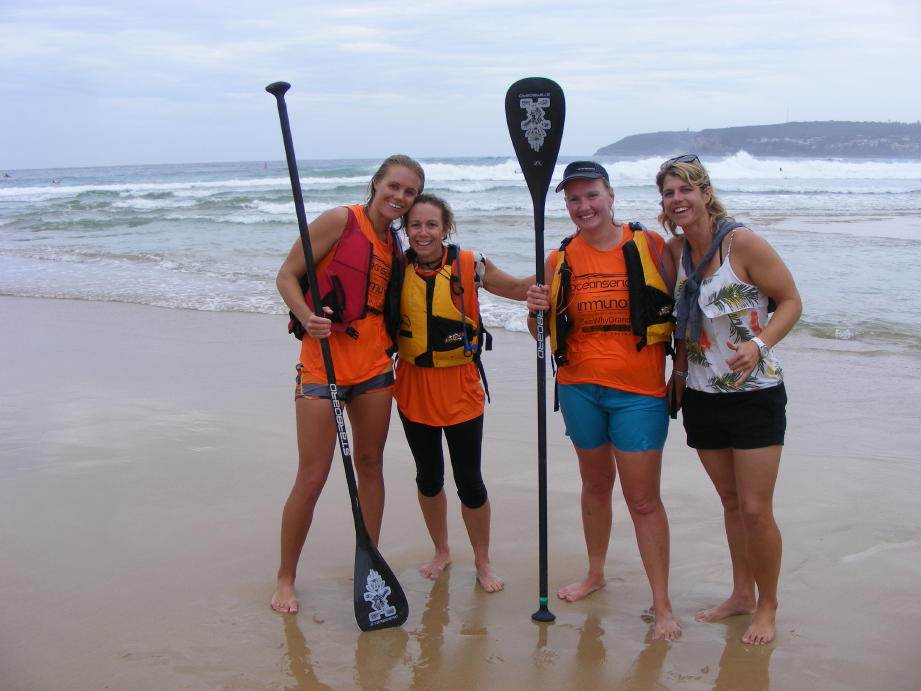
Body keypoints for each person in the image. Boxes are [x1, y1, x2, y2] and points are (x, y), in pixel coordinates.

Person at [526, 161, 681, 640]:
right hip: (579, 389)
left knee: (643, 500)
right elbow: (540, 331)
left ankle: (662, 604)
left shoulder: (650, 245)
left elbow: (686, 303)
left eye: (591, 195)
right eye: (573, 199)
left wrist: (687, 369)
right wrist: (535, 311)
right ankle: (595, 572)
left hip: (639, 393)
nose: (584, 206)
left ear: (610, 196)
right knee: (594, 485)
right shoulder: (558, 258)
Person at [657, 154, 802, 645]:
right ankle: (741, 593)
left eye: (685, 190)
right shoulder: (675, 251)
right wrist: (678, 372)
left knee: (756, 508)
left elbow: (791, 301)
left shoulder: (741, 243)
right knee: (730, 501)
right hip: (702, 396)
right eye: (669, 193)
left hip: (755, 393)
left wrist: (759, 344)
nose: (677, 199)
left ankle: (767, 605)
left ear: (705, 193)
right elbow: (680, 322)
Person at [271, 154, 425, 614]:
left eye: (410, 192)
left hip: (374, 369)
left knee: (371, 464)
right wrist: (307, 317)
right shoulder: (341, 220)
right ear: (376, 183)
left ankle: (370, 562)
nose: (399, 197)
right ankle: (285, 577)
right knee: (312, 475)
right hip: (322, 368)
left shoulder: (394, 242)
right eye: (394, 186)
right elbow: (286, 275)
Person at [394, 193, 532, 592]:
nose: (423, 233)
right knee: (428, 477)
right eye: (415, 225)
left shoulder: (471, 265)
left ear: (446, 228)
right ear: (406, 229)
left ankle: (482, 561)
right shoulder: (395, 269)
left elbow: (517, 288)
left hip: (461, 387)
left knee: (469, 480)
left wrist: (557, 268)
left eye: (431, 225)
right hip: (413, 386)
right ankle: (441, 551)